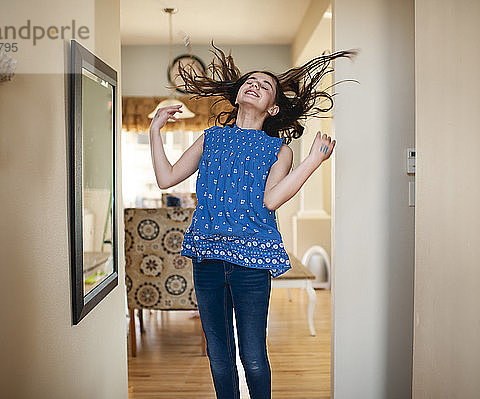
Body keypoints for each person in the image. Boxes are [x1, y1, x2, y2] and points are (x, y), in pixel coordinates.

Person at [149, 43, 357, 399]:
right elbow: (167, 178)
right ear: (237, 96)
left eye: (265, 85)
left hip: (251, 264)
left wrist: (313, 162)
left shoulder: (279, 149)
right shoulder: (211, 138)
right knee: (219, 356)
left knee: (253, 356)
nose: (254, 85)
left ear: (272, 107)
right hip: (208, 259)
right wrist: (154, 130)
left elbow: (272, 199)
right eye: (250, 81)